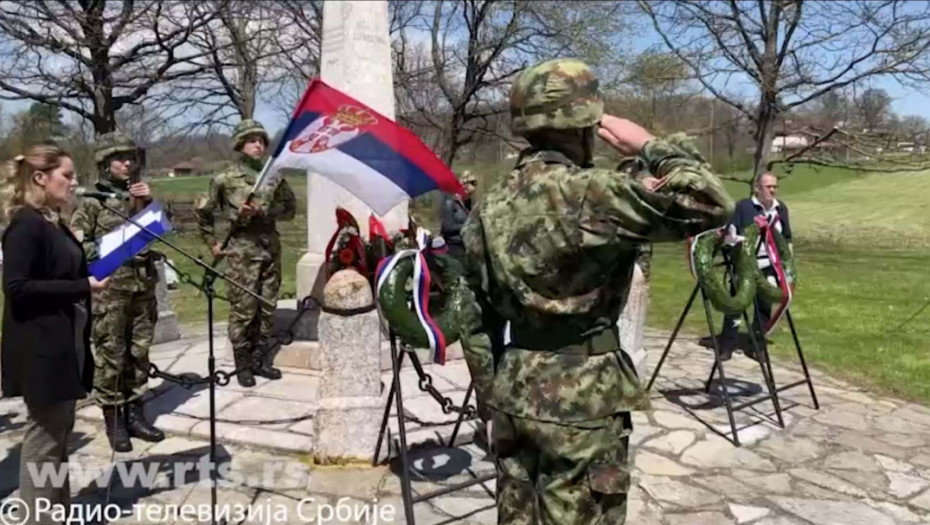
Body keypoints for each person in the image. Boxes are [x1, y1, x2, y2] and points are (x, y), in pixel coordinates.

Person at [454, 58, 734, 524]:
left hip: (514, 391)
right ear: (585, 124)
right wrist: (649, 145)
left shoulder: (489, 205)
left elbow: (472, 314)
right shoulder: (593, 193)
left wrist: (490, 394)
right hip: (584, 399)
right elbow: (710, 203)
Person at [1, 145, 108, 523]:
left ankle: (56, 515)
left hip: (64, 343)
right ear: (39, 178)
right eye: (67, 175)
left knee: (59, 438)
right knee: (44, 442)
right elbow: (16, 287)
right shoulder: (25, 224)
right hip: (41, 350)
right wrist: (83, 287)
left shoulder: (52, 221)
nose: (75, 182)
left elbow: (63, 272)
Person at [70, 131, 164, 453]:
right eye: (119, 158)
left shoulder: (140, 195)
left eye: (131, 158)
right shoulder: (93, 201)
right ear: (105, 164)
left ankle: (136, 415)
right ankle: (114, 420)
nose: (127, 163)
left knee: (139, 353)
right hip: (111, 291)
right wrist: (114, 250)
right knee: (112, 355)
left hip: (142, 288)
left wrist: (150, 204)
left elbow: (164, 233)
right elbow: (78, 247)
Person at [195, 119, 296, 387]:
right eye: (252, 140)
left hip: (270, 251)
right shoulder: (224, 179)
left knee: (267, 308)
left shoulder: (273, 176)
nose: (258, 145)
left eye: (262, 140)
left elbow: (290, 209)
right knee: (244, 310)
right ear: (240, 145)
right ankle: (243, 364)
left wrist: (263, 212)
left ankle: (260, 359)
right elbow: (204, 214)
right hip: (242, 254)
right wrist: (212, 243)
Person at [717, 171, 793, 360]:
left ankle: (757, 345)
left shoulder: (780, 209)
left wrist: (788, 264)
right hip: (745, 263)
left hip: (770, 265)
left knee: (764, 306)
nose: (772, 190)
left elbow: (787, 238)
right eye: (768, 187)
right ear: (757, 188)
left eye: (775, 186)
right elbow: (728, 235)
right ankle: (727, 345)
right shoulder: (743, 207)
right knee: (736, 304)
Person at [440, 170, 477, 260]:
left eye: (471, 194)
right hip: (453, 247)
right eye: (468, 192)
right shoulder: (450, 202)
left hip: (466, 245)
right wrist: (467, 225)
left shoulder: (467, 205)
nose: (469, 196)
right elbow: (447, 227)